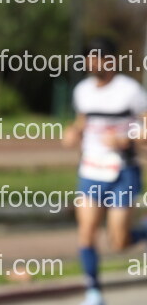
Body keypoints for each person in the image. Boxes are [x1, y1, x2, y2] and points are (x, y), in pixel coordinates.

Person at [63, 36, 147, 305]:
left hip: (123, 172)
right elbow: (82, 122)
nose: (93, 64)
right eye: (89, 59)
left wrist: (126, 139)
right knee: (86, 232)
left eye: (98, 58)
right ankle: (93, 291)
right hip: (91, 171)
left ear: (112, 61)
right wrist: (74, 132)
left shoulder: (130, 91)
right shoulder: (82, 91)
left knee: (119, 242)